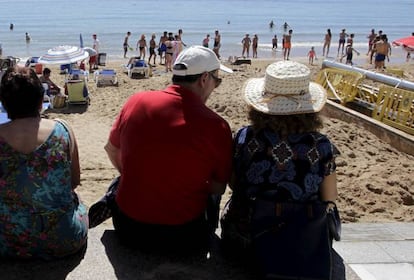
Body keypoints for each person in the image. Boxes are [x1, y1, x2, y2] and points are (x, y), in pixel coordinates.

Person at [103, 46, 233, 253]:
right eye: (217, 80)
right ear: (204, 79)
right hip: (183, 236)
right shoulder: (216, 126)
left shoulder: (136, 101)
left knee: (121, 180)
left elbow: (111, 149)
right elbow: (218, 187)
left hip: (128, 228)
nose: (216, 86)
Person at [220, 60, 339, 257]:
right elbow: (329, 197)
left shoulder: (245, 137)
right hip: (300, 240)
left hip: (246, 237)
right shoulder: (321, 145)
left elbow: (234, 183)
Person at [0, 66, 88, 259]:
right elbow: (73, 182)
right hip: (63, 240)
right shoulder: (63, 130)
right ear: (41, 102)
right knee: (79, 201)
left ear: (4, 105)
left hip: (6, 242)